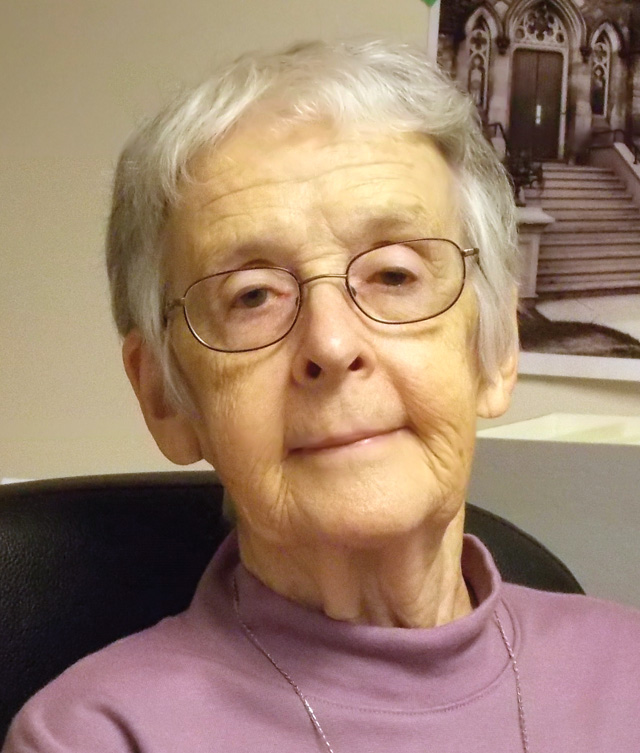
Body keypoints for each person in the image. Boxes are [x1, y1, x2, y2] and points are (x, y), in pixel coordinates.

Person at [3, 39, 640, 753]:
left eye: (395, 275)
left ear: (495, 349)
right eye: (252, 296)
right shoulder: (94, 737)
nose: (332, 345)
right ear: (166, 398)